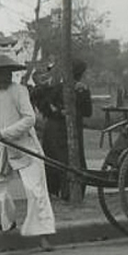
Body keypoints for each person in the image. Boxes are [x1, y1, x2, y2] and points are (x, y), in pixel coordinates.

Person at [0, 53, 56, 252]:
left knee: (35, 191)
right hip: (3, 147)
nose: (4, 78)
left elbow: (29, 119)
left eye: (7, 74)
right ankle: (7, 221)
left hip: (26, 146)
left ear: (12, 74)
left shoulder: (20, 91)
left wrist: (4, 133)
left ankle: (43, 235)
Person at [39, 59, 93, 200]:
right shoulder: (81, 89)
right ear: (81, 73)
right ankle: (71, 193)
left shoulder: (53, 87)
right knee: (72, 160)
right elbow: (88, 112)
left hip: (52, 129)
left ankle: (53, 192)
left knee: (53, 160)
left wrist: (56, 112)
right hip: (71, 129)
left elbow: (43, 106)